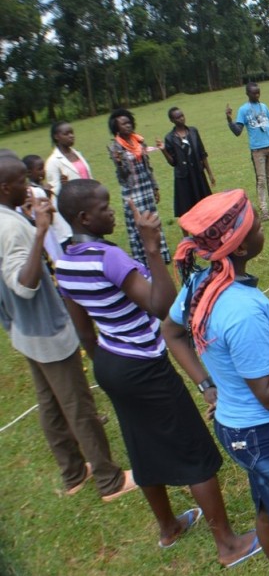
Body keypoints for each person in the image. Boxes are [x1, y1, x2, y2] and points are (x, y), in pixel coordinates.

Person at [55, 180, 261, 567]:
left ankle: (168, 528)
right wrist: (152, 245)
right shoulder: (107, 256)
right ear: (84, 217)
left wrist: (106, 361)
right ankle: (228, 544)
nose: (112, 211)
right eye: (104, 207)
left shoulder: (64, 261)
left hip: (109, 363)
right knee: (193, 448)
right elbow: (163, 305)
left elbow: (84, 331)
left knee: (140, 444)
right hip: (144, 366)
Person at [166, 190, 269, 576]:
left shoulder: (202, 283)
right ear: (239, 247)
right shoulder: (241, 310)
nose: (263, 226)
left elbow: (171, 332)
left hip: (238, 428)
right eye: (256, 224)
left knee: (268, 510)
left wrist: (207, 384)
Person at [0, 156, 134, 503]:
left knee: (49, 404)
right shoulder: (11, 227)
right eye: (21, 181)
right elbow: (24, 284)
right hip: (45, 331)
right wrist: (41, 229)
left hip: (24, 331)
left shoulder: (8, 218)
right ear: (5, 188)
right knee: (78, 405)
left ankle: (74, 473)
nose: (28, 186)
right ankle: (110, 480)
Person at [107, 108, 170, 265]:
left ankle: (161, 254)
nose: (127, 126)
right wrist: (119, 163)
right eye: (122, 124)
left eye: (128, 122)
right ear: (116, 128)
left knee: (153, 220)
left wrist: (154, 187)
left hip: (146, 188)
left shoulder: (139, 141)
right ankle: (145, 259)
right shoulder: (115, 147)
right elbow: (122, 175)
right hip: (132, 191)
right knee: (139, 224)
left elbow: (148, 167)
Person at [226, 82, 269, 221]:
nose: (257, 95)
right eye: (254, 93)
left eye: (258, 92)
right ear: (247, 94)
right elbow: (238, 131)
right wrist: (229, 119)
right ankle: (264, 209)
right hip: (257, 150)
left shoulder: (264, 106)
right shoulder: (243, 110)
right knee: (261, 180)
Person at [156, 107, 215, 222]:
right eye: (177, 117)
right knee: (185, 207)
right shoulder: (170, 138)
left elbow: (202, 153)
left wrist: (210, 174)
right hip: (183, 177)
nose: (181, 119)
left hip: (198, 173)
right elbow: (172, 162)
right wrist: (163, 150)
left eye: (182, 116)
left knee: (205, 203)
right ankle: (187, 234)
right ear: (172, 120)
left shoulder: (193, 131)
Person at [45, 120, 92, 247]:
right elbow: (54, 193)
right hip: (73, 211)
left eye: (72, 132)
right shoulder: (53, 162)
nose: (71, 136)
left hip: (89, 204)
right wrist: (62, 185)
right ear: (57, 137)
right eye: (66, 133)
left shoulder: (77, 154)